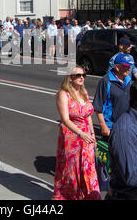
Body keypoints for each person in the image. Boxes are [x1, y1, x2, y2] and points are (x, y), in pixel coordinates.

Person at [52, 66, 101, 200]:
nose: (81, 77)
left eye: (83, 75)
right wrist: (81, 133)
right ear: (70, 77)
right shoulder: (63, 94)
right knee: (72, 171)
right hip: (72, 137)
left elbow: (88, 115)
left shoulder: (83, 92)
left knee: (88, 169)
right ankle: (71, 196)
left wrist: (92, 133)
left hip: (86, 137)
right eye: (78, 75)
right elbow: (65, 119)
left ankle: (89, 196)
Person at [93, 53, 133, 141]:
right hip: (112, 128)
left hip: (128, 126)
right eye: (125, 66)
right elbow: (98, 107)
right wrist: (103, 126)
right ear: (117, 67)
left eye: (130, 66)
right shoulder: (106, 81)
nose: (129, 69)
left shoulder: (128, 80)